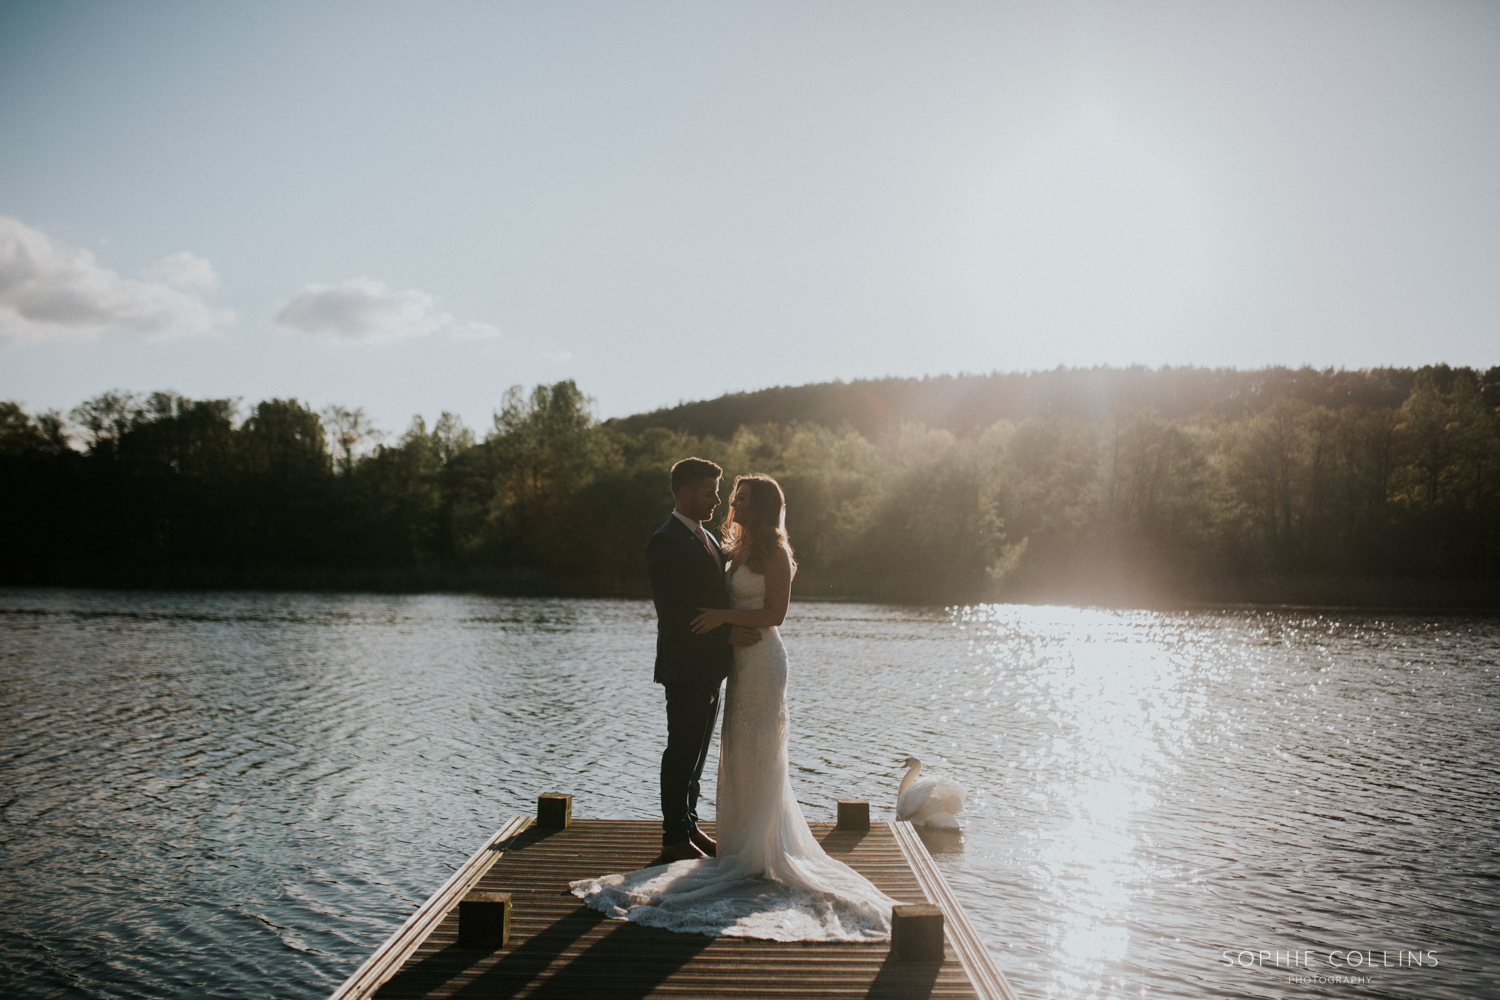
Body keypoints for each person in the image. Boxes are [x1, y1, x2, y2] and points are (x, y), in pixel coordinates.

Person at [571, 472, 896, 941]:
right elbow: (686, 601)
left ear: (761, 506)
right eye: (727, 495)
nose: (730, 503)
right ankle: (738, 842)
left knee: (758, 748)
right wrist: (724, 628)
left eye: (740, 498)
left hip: (762, 661)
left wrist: (724, 617)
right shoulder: (733, 548)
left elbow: (776, 614)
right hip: (736, 663)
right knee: (734, 748)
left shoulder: (776, 553)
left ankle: (763, 848)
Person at [645, 457, 762, 863]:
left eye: (718, 491)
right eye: (710, 491)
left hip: (710, 668)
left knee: (696, 754)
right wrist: (729, 632)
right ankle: (674, 837)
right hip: (685, 667)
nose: (717, 500)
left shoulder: (708, 539)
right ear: (685, 493)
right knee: (681, 751)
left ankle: (690, 826)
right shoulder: (666, 541)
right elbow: (675, 614)